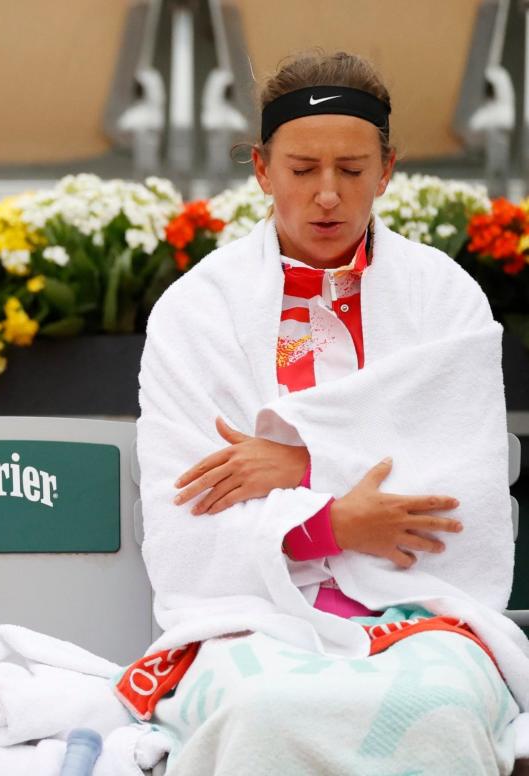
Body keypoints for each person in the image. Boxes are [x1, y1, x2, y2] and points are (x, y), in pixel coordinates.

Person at [126, 51, 528, 774]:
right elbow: (183, 515)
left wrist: (299, 463)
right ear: (260, 168)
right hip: (248, 620)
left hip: (423, 615)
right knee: (260, 710)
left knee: (438, 705)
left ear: (386, 169)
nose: (326, 196)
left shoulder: (446, 298)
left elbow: (463, 486)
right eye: (301, 169)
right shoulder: (196, 311)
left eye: (349, 169)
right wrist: (331, 523)